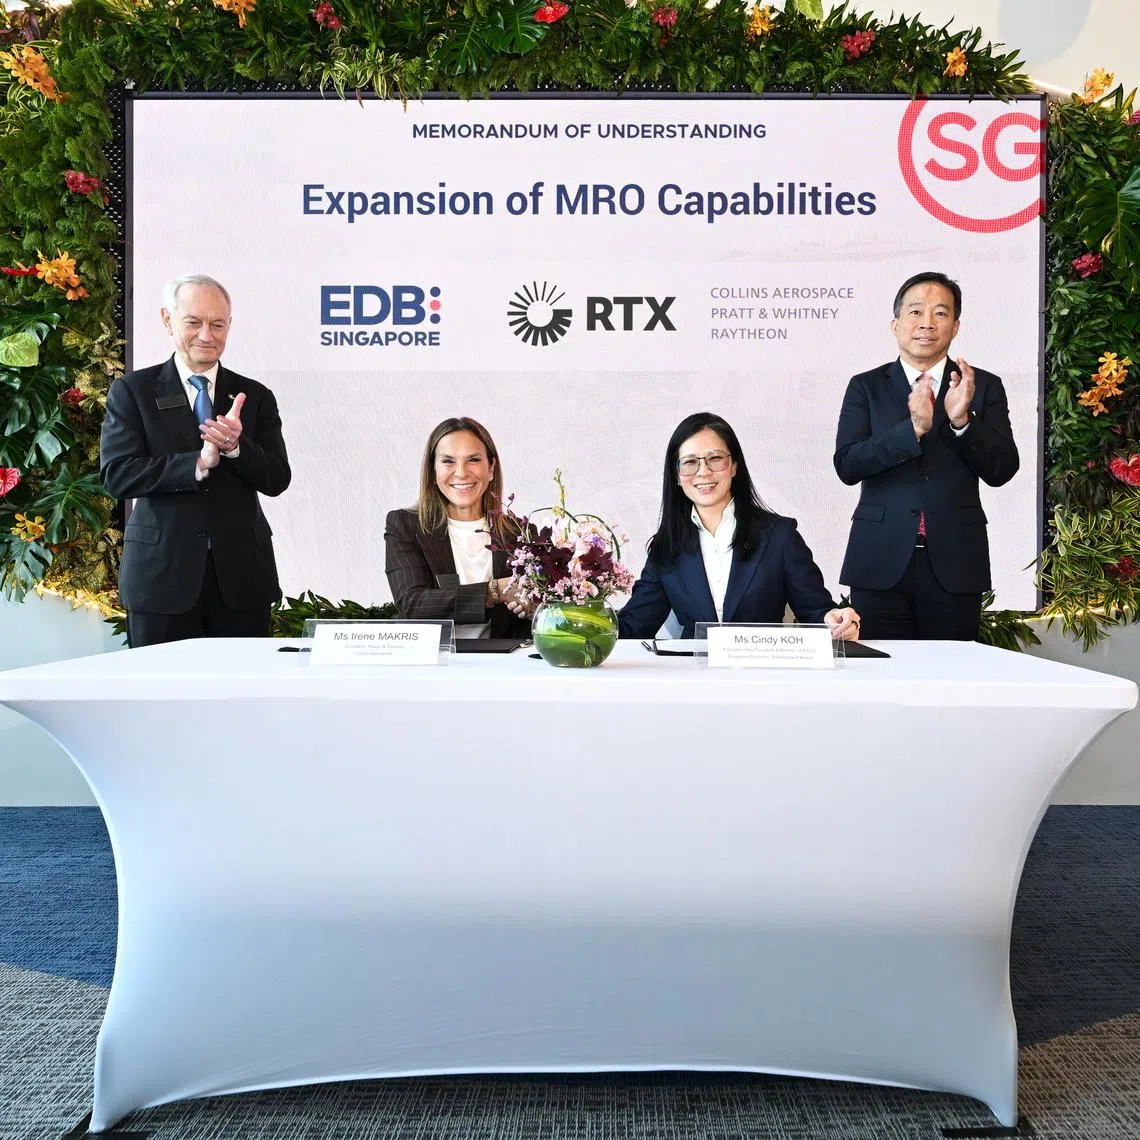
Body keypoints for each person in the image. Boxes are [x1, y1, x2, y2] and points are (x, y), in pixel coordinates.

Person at [100, 274, 291, 648]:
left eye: (217, 324)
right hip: (160, 580)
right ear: (167, 319)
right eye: (193, 322)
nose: (206, 335)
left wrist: (236, 448)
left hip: (242, 581)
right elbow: (117, 476)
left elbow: (277, 478)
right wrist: (197, 463)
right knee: (159, 686)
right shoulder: (133, 391)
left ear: (229, 325)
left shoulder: (254, 396)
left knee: (240, 685)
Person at [833, 272, 1019, 641]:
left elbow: (1002, 469)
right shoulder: (866, 386)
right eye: (916, 312)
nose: (927, 323)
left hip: (955, 561)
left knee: (952, 672)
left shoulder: (982, 386)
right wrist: (912, 430)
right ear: (896, 324)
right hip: (880, 559)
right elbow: (848, 465)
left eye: (940, 313)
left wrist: (963, 422)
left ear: (956, 326)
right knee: (880, 668)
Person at [618, 412, 860, 640]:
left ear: (734, 466)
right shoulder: (667, 546)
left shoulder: (779, 537)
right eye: (690, 462)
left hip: (763, 668)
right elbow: (633, 626)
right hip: (693, 669)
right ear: (677, 476)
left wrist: (837, 622)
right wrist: (593, 600)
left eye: (715, 459)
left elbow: (817, 612)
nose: (703, 472)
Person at [385, 417, 532, 639]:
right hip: (435, 659)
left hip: (503, 660)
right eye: (448, 461)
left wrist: (532, 607)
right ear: (433, 471)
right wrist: (495, 591)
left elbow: (534, 614)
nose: (461, 472)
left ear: (491, 468)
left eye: (473, 460)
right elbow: (413, 605)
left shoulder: (519, 533)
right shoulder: (405, 525)